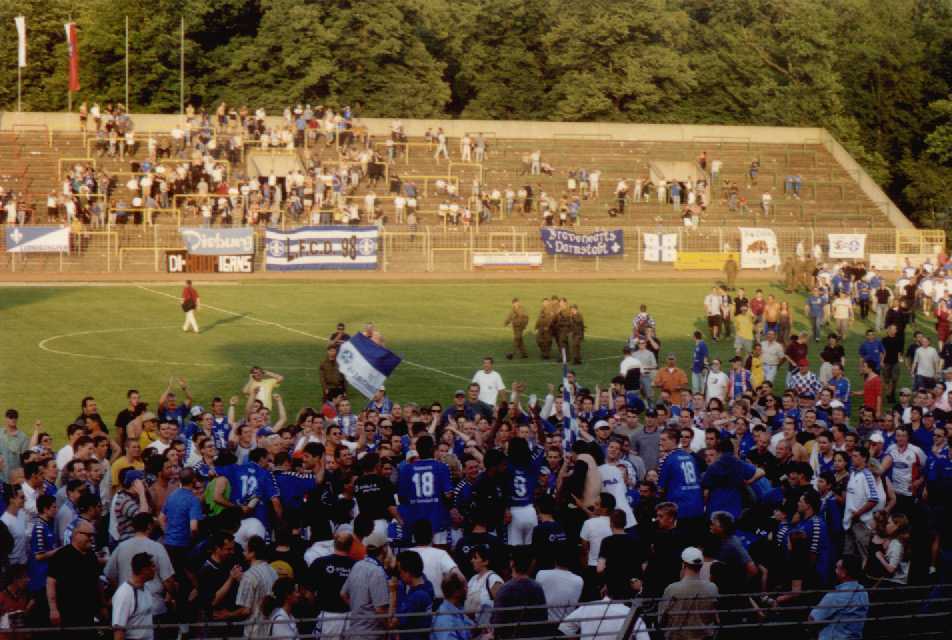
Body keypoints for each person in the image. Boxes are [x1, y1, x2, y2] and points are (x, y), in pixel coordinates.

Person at [47, 519, 106, 635]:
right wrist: (53, 609)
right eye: (88, 535)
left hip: (88, 614)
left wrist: (102, 605)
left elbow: (97, 582)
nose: (91, 538)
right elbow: (50, 583)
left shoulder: (91, 556)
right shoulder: (61, 556)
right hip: (67, 614)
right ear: (76, 534)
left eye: (92, 535)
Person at [658, 547, 719, 640]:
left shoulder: (672, 589)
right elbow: (715, 618)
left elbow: (661, 620)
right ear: (701, 566)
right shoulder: (712, 588)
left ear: (683, 565)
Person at [491, 547, 549, 640]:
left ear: (512, 563)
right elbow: (543, 619)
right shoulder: (537, 588)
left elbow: (498, 623)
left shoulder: (505, 589)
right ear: (532, 564)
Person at [808, 557, 869, 640]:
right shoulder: (863, 592)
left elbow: (812, 619)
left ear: (844, 572)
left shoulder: (835, 596)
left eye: (837, 568)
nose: (835, 570)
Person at [111, 552, 156, 640]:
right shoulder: (124, 594)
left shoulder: (146, 588)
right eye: (153, 566)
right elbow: (118, 633)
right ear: (144, 570)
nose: (155, 569)